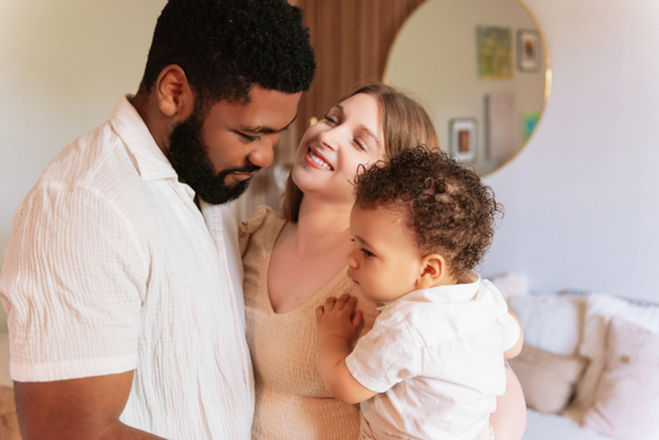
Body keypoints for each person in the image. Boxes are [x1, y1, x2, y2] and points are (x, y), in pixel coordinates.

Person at [0, 0, 315, 438]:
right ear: (173, 92)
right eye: (250, 134)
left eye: (277, 133)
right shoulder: (87, 206)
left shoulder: (204, 180)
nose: (265, 156)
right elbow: (73, 433)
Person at [239, 84, 526, 439]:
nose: (327, 135)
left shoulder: (398, 286)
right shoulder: (255, 236)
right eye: (332, 119)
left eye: (359, 142)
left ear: (393, 182)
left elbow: (495, 389)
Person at [316, 146, 523, 439]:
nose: (351, 258)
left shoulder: (406, 327)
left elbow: (346, 386)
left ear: (428, 270)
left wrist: (333, 336)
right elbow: (515, 345)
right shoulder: (485, 299)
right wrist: (497, 314)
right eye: (354, 242)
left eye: (367, 252)